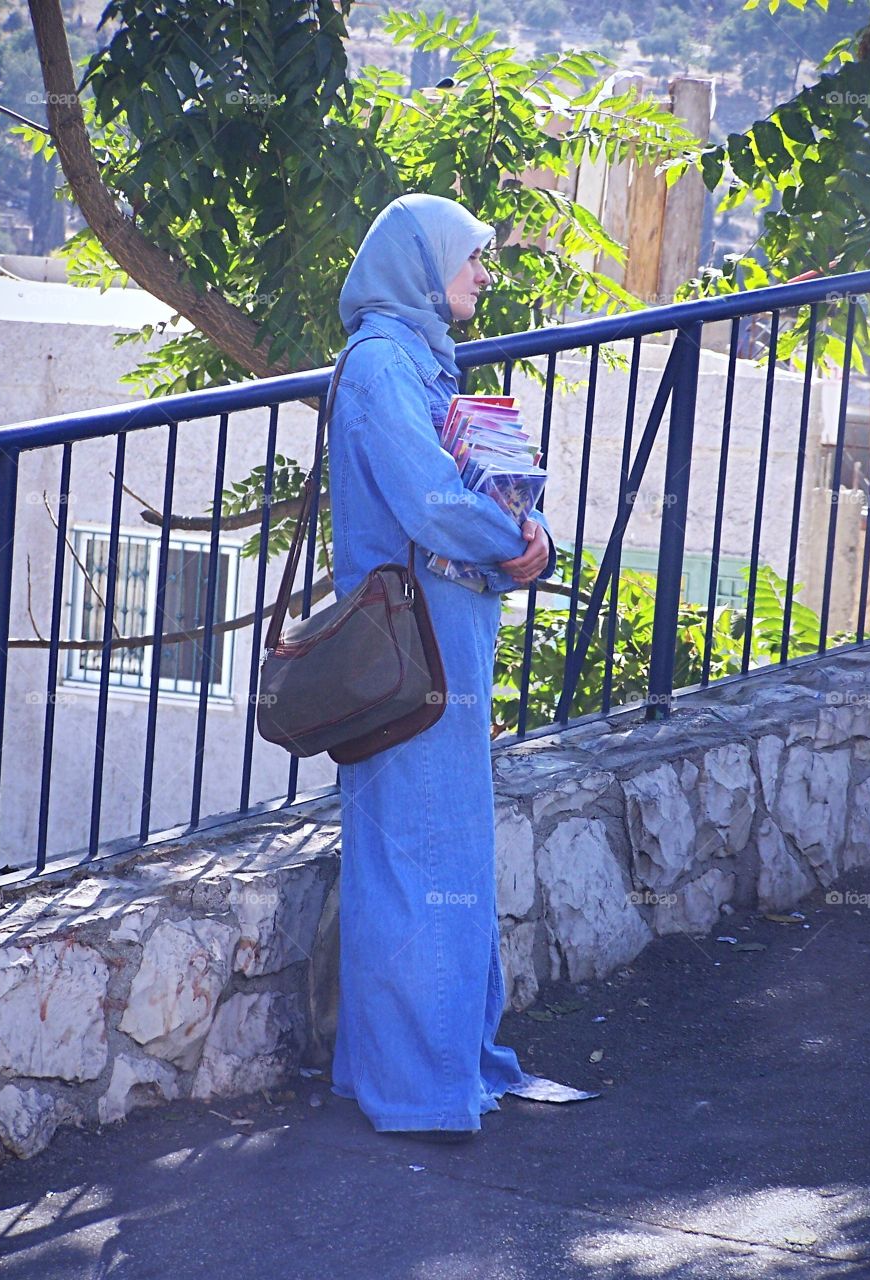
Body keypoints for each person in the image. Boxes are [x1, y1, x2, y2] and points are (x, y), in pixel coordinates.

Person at [326, 193, 557, 1142]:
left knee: (436, 851)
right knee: (415, 857)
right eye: (470, 258)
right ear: (418, 265)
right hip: (407, 652)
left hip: (438, 644)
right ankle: (415, 1088)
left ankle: (435, 1065)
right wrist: (516, 536)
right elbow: (427, 499)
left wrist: (521, 527)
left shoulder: (418, 357)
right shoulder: (383, 364)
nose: (482, 274)